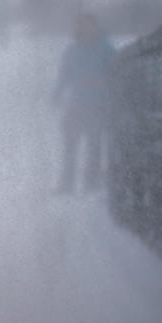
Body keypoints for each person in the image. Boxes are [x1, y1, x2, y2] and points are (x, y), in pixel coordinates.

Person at [52, 13, 116, 193]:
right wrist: (57, 94)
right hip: (76, 105)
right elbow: (64, 75)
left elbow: (116, 73)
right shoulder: (71, 51)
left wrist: (103, 83)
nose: (85, 28)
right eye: (81, 25)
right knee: (69, 147)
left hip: (97, 106)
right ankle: (66, 183)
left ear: (95, 27)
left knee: (94, 147)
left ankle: (91, 183)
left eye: (88, 25)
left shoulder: (106, 49)